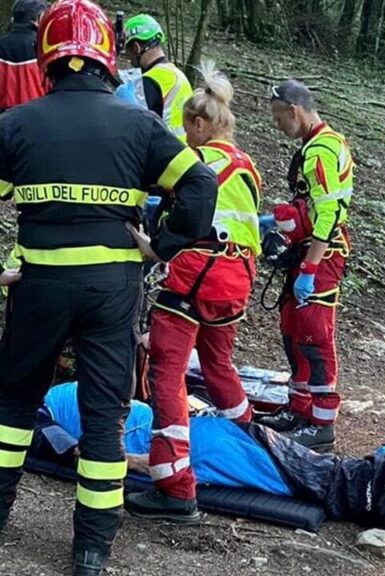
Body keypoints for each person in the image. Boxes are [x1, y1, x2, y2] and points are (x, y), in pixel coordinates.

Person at [0, 1, 217, 574]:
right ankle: (92, 548)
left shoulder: (16, 122)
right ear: (105, 56)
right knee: (104, 416)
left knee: (15, 401)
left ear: (47, 56)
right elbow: (199, 186)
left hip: (39, 285)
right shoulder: (139, 124)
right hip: (110, 292)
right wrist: (163, 245)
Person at [123, 61, 263, 523]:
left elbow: (166, 204)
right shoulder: (247, 165)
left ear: (201, 124)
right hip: (237, 276)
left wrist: (153, 247)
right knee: (218, 360)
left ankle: (174, 485)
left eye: (187, 129)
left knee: (166, 371)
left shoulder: (198, 161)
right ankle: (251, 438)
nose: (185, 137)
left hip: (195, 273)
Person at [34, 382, 385, 531]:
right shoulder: (63, 397)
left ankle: (380, 482)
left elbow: (91, 454)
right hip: (193, 431)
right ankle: (379, 476)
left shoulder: (45, 412)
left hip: (192, 441)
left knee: (286, 469)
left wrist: (144, 463)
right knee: (286, 462)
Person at [258, 80, 353, 451]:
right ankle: (298, 409)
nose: (278, 126)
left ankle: (321, 423)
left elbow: (329, 212)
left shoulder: (321, 152)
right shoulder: (315, 145)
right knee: (292, 328)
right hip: (307, 250)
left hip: (322, 255)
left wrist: (312, 267)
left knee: (314, 335)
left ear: (294, 110)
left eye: (280, 118)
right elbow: (312, 205)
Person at [123, 13, 193, 141]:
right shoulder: (177, 74)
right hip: (185, 152)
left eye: (128, 50)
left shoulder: (150, 80)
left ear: (136, 48)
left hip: (163, 153)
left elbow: (136, 128)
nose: (128, 56)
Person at [0, 0, 48, 113]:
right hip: (39, 114)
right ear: (40, 18)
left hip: (5, 119)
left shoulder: (2, 45)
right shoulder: (44, 47)